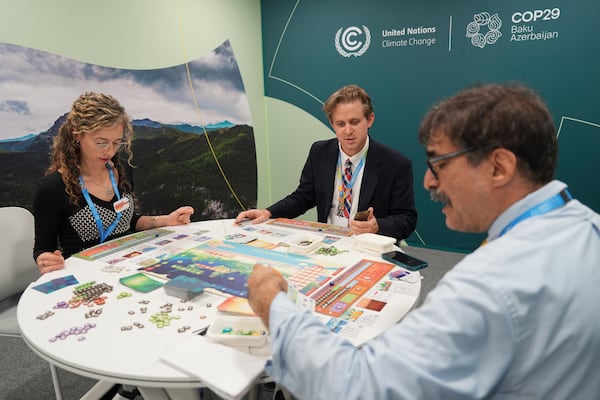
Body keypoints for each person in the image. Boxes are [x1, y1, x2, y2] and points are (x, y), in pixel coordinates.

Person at [247, 83, 600, 399]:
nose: (430, 182)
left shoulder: (487, 284)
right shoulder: (585, 226)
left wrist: (273, 304)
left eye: (440, 163)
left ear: (499, 167)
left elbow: (356, 384)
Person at [33, 92, 194, 274]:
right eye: (101, 143)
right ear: (76, 135)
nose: (109, 151)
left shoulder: (122, 171)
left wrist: (165, 220)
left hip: (128, 267)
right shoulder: (53, 187)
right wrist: (45, 260)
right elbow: (42, 249)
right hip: (84, 275)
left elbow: (129, 221)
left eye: (117, 143)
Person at [234, 84, 417, 241]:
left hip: (368, 248)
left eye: (355, 122)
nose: (348, 131)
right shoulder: (320, 152)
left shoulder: (396, 164)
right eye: (340, 124)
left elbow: (407, 220)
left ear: (370, 120)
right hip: (328, 242)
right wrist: (269, 212)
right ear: (332, 124)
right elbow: (303, 197)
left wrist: (378, 226)